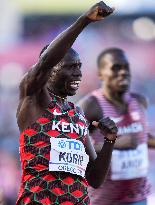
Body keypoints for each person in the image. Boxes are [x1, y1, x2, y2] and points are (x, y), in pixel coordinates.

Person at [16, 3, 118, 205]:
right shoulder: (35, 97)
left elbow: (95, 179)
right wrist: (84, 21)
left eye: (79, 67)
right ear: (51, 70)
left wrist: (109, 141)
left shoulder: (77, 113)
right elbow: (44, 63)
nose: (78, 73)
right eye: (71, 67)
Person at [78, 48, 155, 205]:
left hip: (140, 197)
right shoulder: (90, 105)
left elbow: (140, 138)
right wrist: (116, 143)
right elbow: (76, 144)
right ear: (100, 74)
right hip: (106, 200)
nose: (123, 72)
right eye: (116, 68)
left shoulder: (139, 101)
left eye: (126, 67)